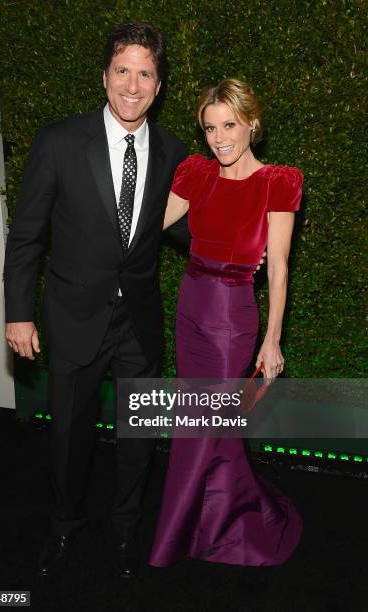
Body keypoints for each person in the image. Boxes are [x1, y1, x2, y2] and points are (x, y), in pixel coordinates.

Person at [3, 22, 190, 579]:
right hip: (73, 317)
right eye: (123, 71)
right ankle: (63, 527)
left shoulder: (176, 153)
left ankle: (127, 530)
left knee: (138, 438)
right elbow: (27, 234)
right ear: (105, 77)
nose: (133, 85)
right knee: (68, 437)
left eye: (146, 74)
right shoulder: (59, 141)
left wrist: (239, 246)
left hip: (139, 322)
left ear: (159, 86)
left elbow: (183, 232)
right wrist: (18, 312)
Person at [149, 78, 303, 567]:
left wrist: (273, 340)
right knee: (208, 423)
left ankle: (176, 537)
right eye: (211, 127)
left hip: (233, 319)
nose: (219, 138)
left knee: (201, 423)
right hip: (191, 305)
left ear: (252, 123)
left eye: (229, 125)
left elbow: (278, 267)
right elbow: (150, 225)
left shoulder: (277, 181)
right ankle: (220, 515)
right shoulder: (196, 172)